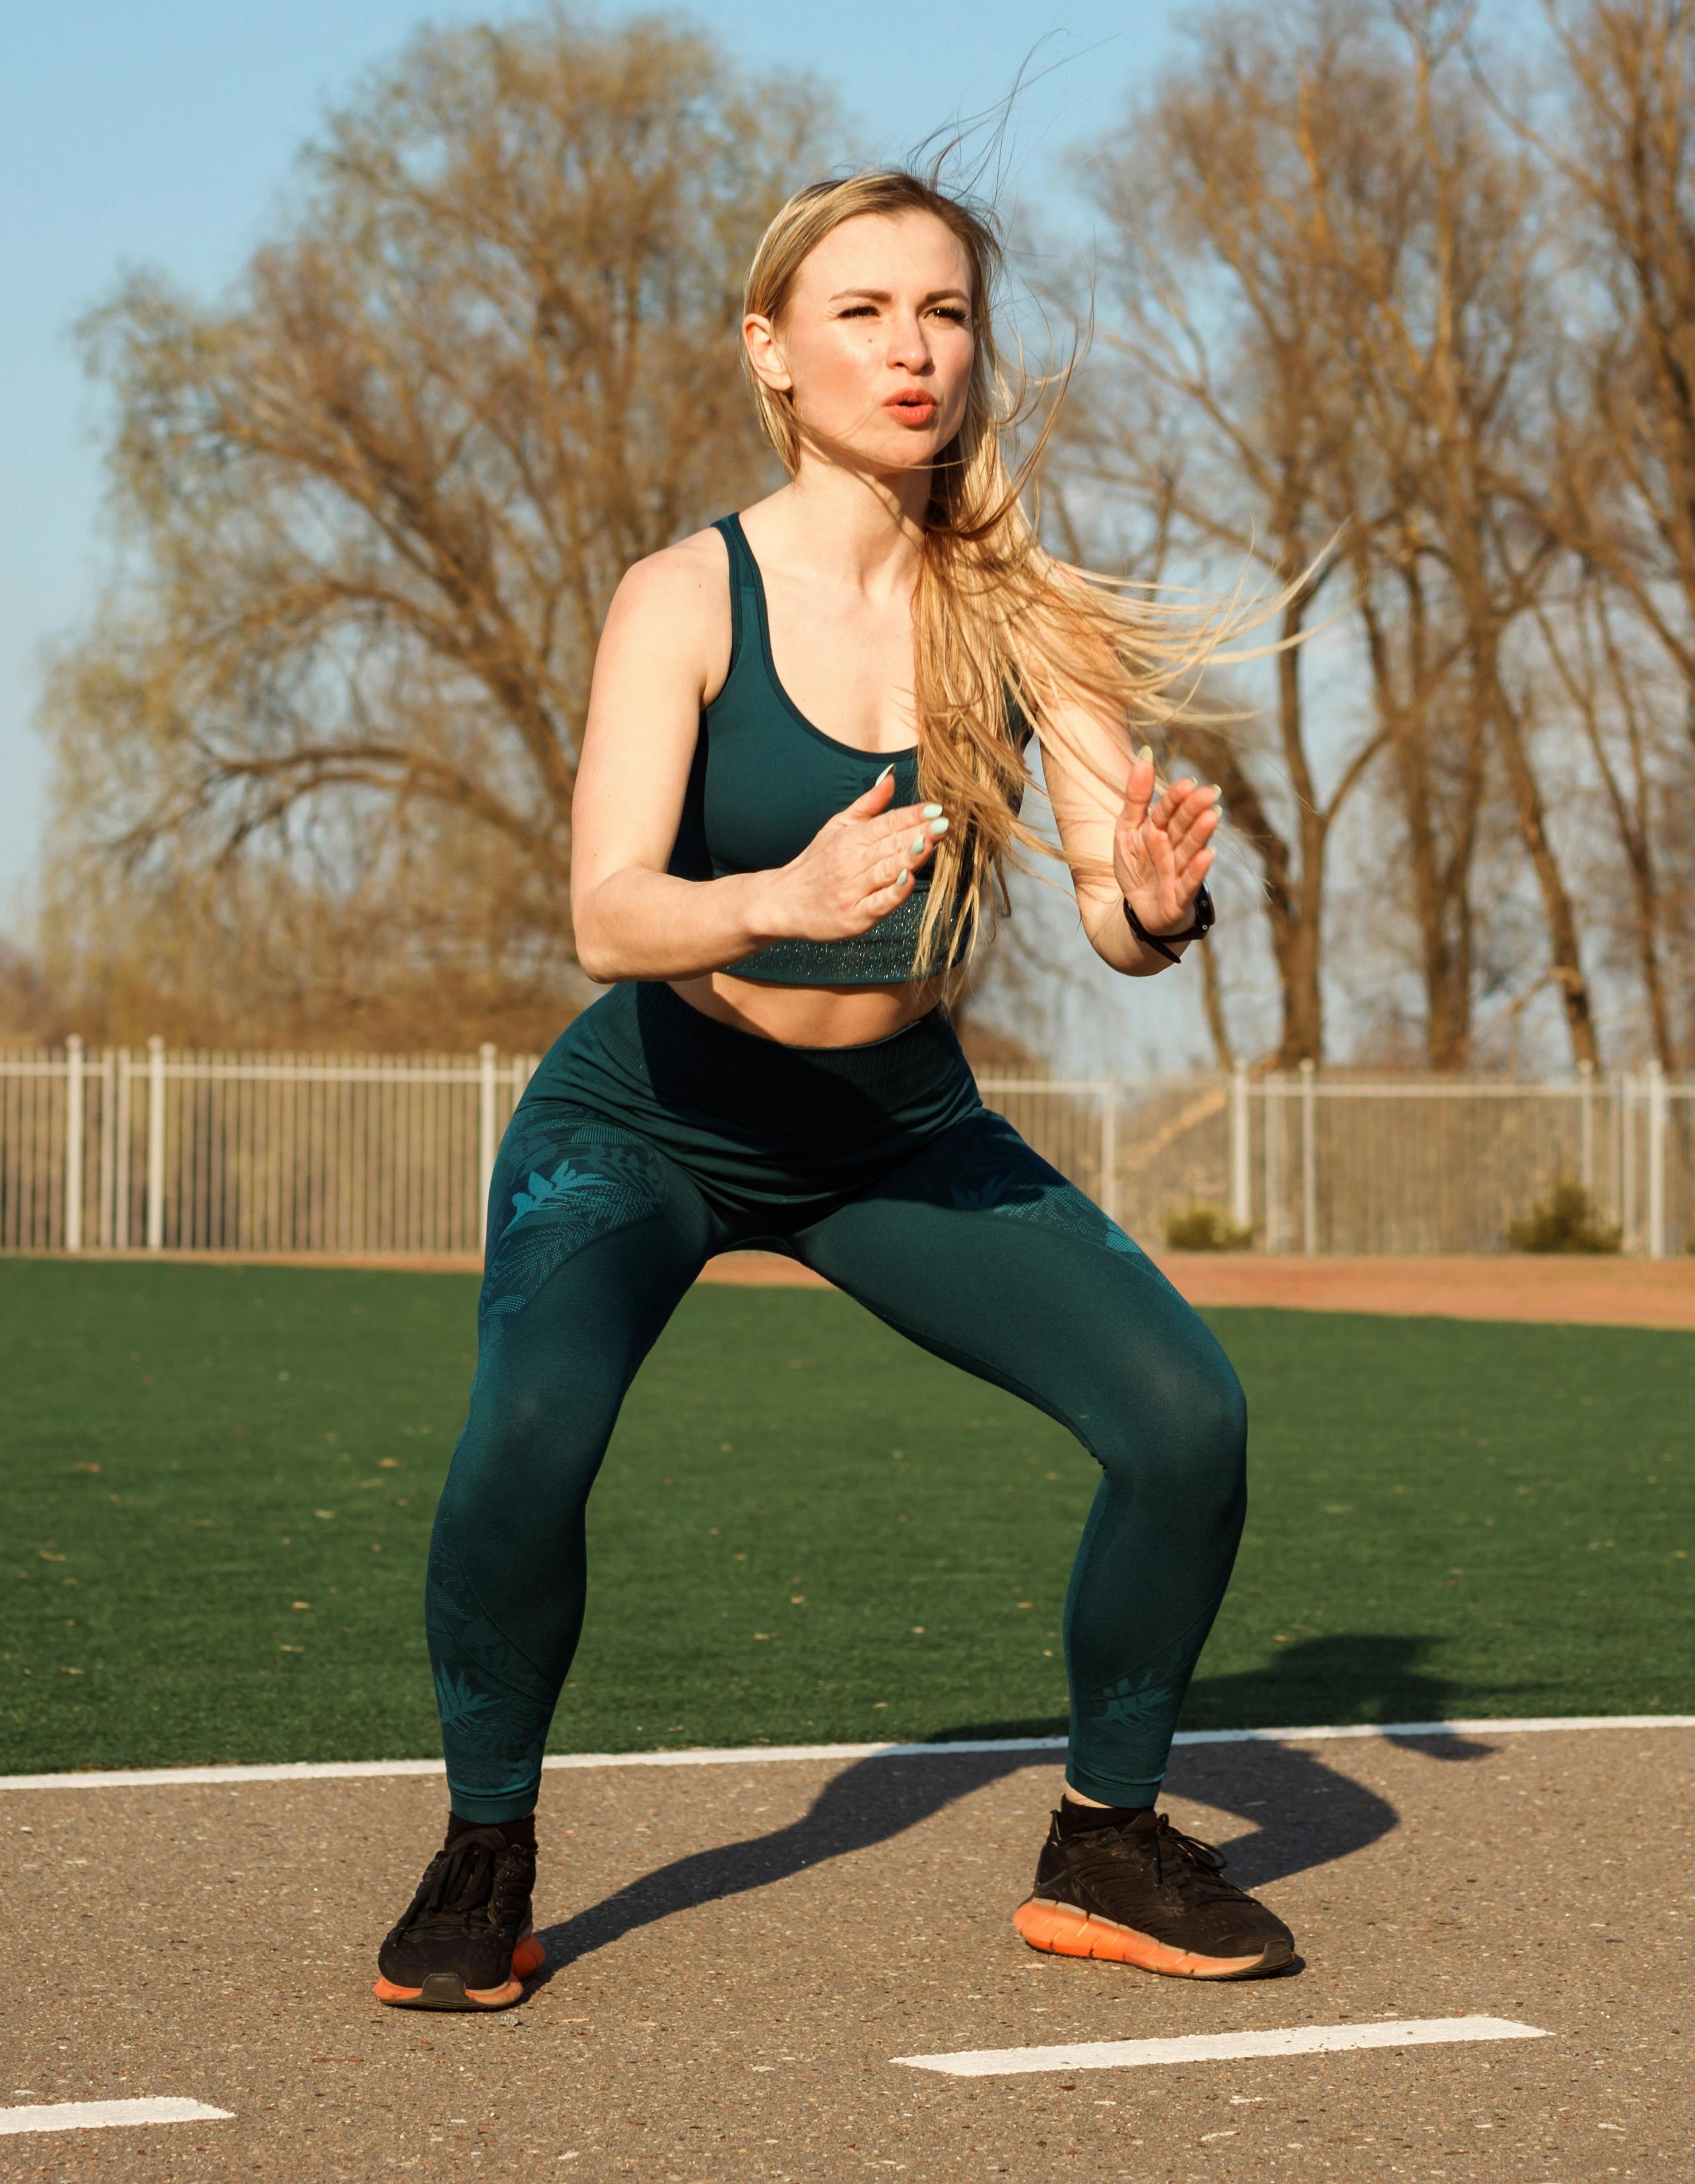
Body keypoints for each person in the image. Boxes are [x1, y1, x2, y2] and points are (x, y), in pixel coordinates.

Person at [370, 166, 1291, 2011]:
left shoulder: (1016, 610)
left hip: (902, 1135)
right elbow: (605, 909)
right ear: (772, 355)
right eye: (864, 312)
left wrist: (1157, 904)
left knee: (1189, 1424)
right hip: (650, 1115)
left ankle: (1106, 1844)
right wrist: (775, 903)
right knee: (528, 1441)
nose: (913, 349)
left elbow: (1113, 910)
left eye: (944, 312)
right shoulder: (681, 596)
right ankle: (485, 1850)